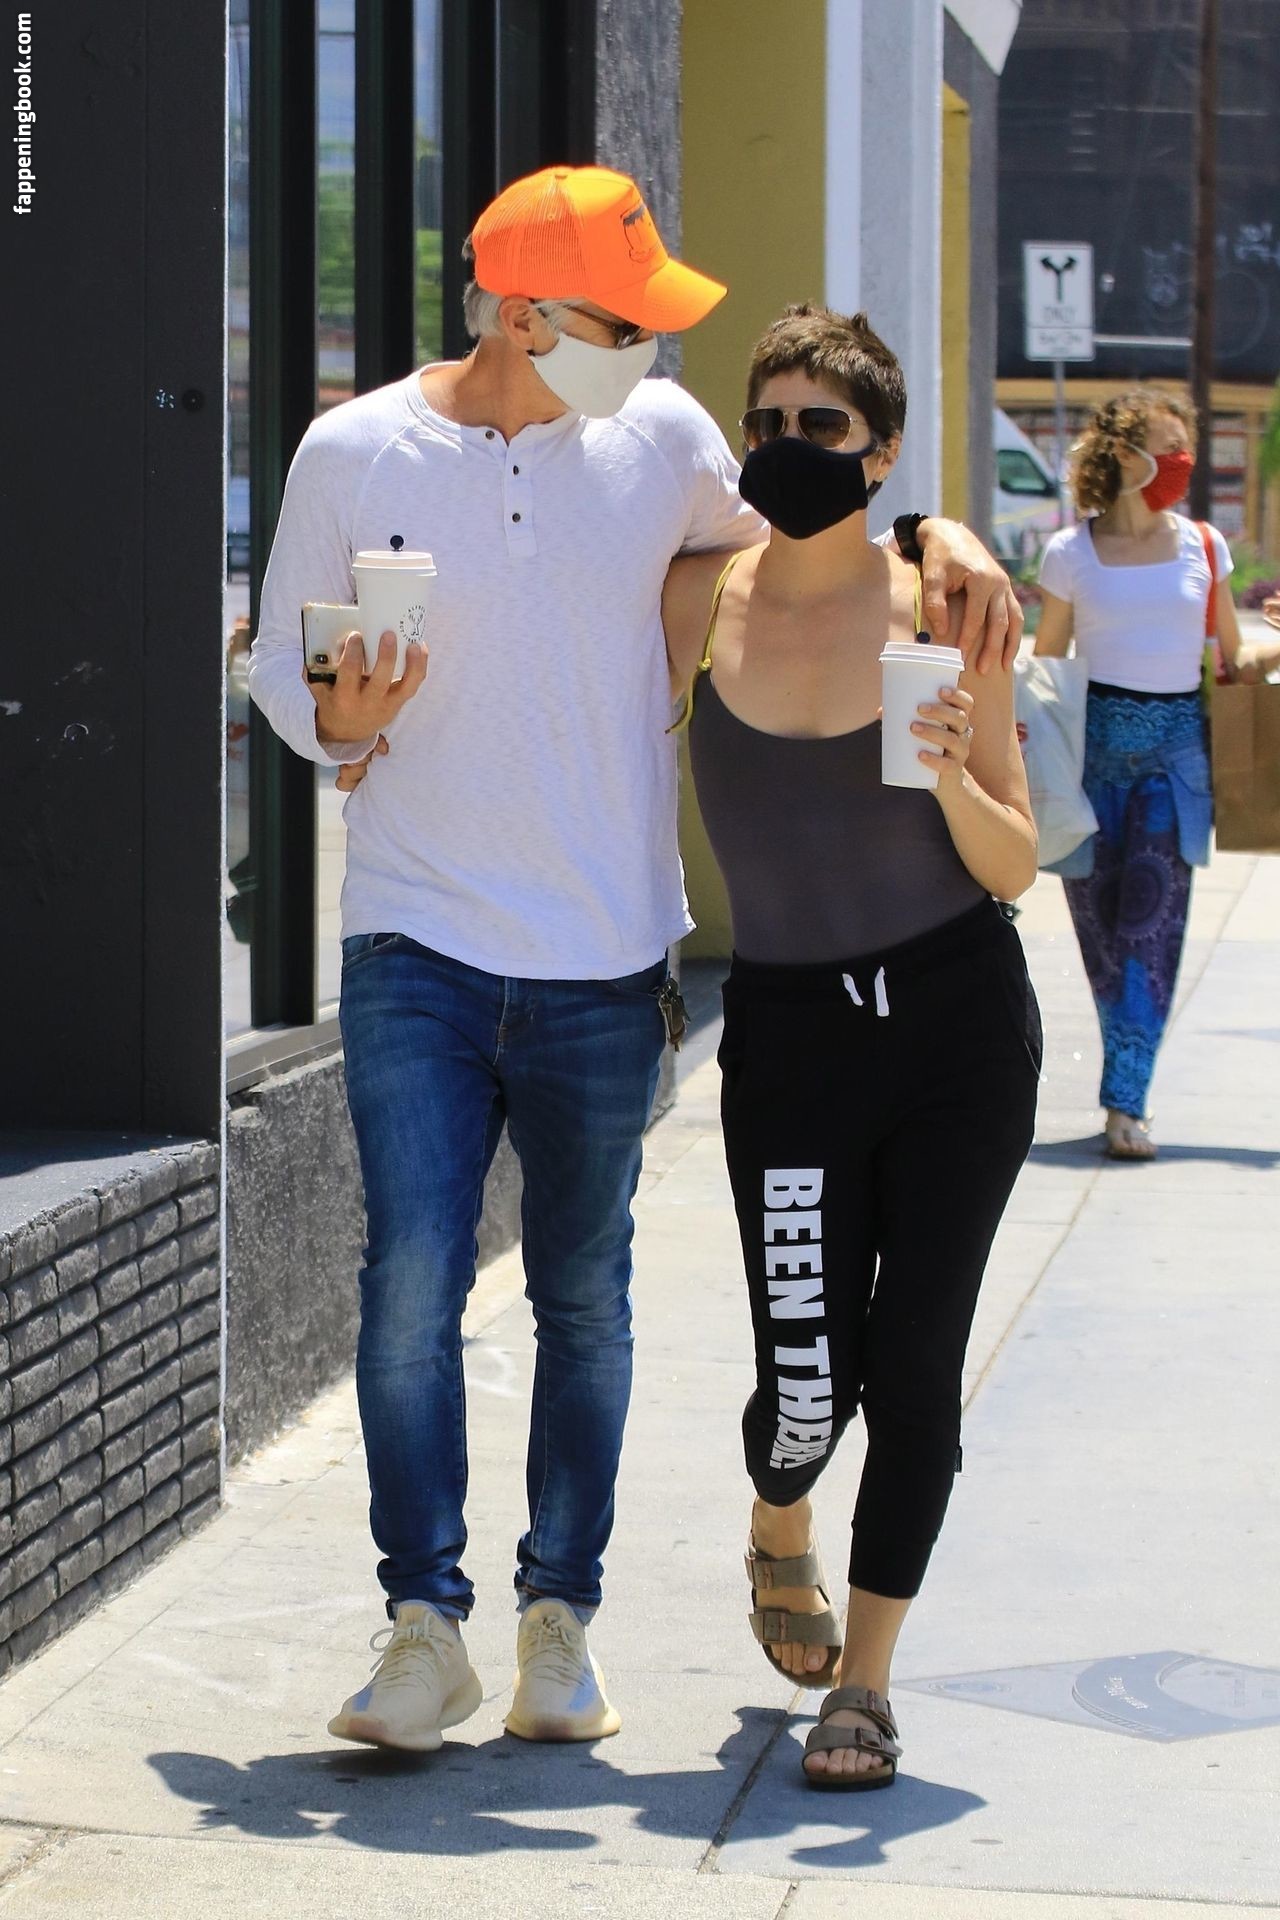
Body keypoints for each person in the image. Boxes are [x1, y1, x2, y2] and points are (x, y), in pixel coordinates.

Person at [249, 164, 1022, 1757]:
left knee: (585, 1302)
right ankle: (423, 1627)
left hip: (607, 950)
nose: (652, 352)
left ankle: (562, 1625)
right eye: (626, 321)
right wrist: (331, 725)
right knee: (411, 1284)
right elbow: (278, 665)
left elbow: (818, 532)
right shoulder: (353, 448)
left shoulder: (663, 442)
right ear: (525, 314)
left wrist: (949, 535)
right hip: (414, 930)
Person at [661, 305, 1041, 1790]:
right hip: (792, 1037)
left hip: (954, 1027)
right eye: (763, 423)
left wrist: (946, 775)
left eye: (820, 427)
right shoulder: (696, 596)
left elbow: (1013, 864)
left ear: (880, 454)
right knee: (805, 1386)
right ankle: (779, 1513)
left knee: (917, 1366)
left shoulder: (945, 612)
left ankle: (865, 1687)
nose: (786, 447)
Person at [1035, 388, 1280, 1160]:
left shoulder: (1203, 546)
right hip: (1091, 758)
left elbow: (1235, 657)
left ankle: (1125, 1103)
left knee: (1152, 934)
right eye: (1167, 447)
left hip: (1175, 764)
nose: (1181, 462)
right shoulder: (1070, 553)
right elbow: (1046, 669)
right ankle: (1126, 1081)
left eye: (1186, 448)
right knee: (1103, 940)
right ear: (1124, 454)